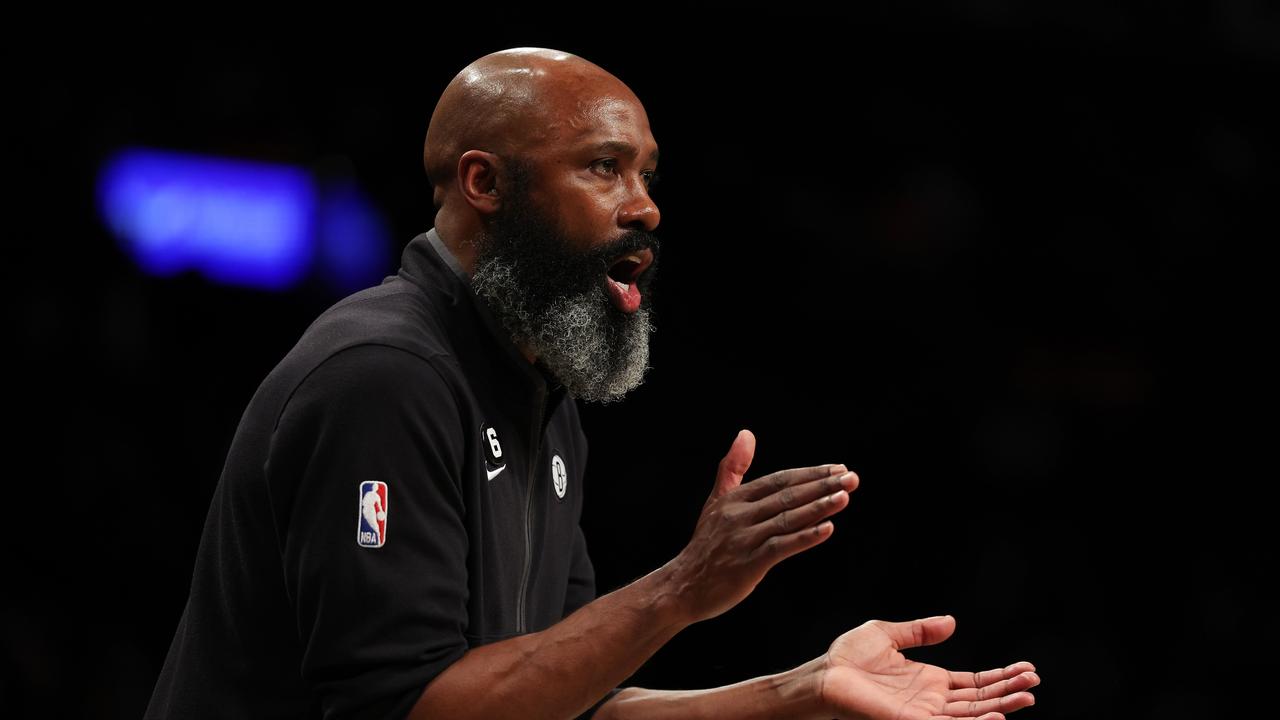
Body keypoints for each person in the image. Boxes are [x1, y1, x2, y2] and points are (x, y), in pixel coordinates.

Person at [145, 47, 1040, 720]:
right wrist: (683, 587)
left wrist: (797, 693)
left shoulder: (539, 387)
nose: (645, 206)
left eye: (646, 173)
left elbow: (556, 701)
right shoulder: (387, 376)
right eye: (604, 167)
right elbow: (405, 709)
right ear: (485, 182)